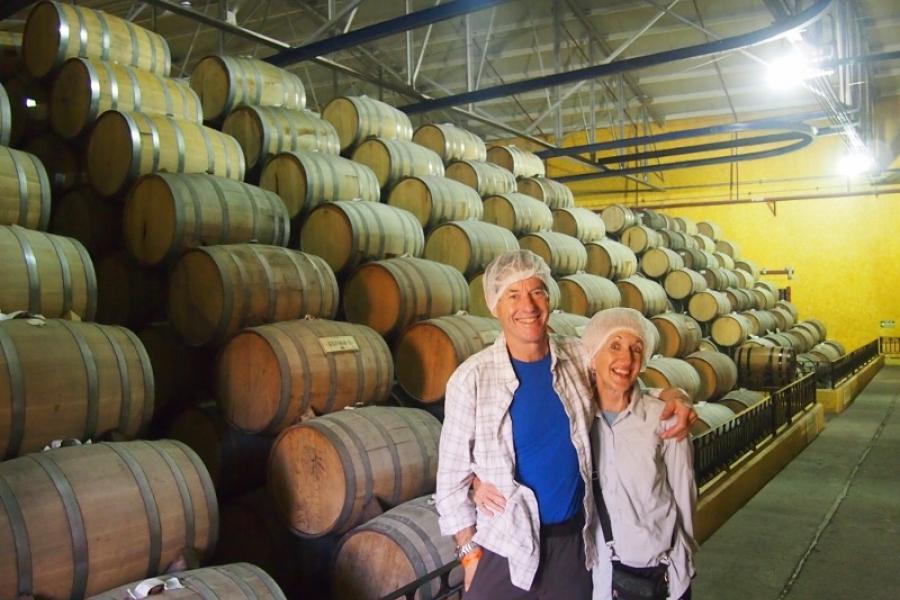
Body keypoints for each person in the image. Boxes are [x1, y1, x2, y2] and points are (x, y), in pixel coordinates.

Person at [435, 250, 695, 599]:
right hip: (504, 547)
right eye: (513, 294)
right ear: (495, 305)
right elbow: (450, 480)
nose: (527, 305)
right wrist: (469, 556)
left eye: (537, 291)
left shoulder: (575, 356)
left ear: (549, 298)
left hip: (572, 544)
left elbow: (619, 376)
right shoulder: (471, 379)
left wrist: (672, 394)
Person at [582, 308, 696, 600]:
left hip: (664, 575)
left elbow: (684, 493)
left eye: (636, 349)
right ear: (593, 356)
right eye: (615, 346)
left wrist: (683, 555)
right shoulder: (577, 421)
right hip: (605, 579)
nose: (626, 359)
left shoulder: (665, 418)